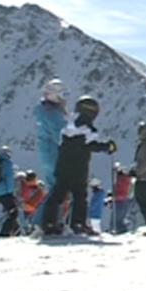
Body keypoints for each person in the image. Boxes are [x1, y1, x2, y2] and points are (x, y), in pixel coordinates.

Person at [41, 96, 117, 236]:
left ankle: (48, 223)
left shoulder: (68, 125)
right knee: (80, 196)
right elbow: (91, 145)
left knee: (57, 194)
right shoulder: (87, 127)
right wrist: (108, 147)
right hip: (78, 167)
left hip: (62, 166)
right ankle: (78, 224)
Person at [33, 79, 68, 223]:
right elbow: (61, 134)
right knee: (57, 188)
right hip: (53, 153)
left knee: (54, 187)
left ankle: (46, 221)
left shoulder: (43, 111)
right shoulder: (52, 114)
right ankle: (45, 222)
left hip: (47, 152)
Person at [111, 163, 132, 234]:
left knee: (117, 218)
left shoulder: (122, 180)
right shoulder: (125, 179)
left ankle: (120, 230)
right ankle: (119, 230)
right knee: (119, 218)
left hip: (120, 200)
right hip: (122, 200)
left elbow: (119, 190)